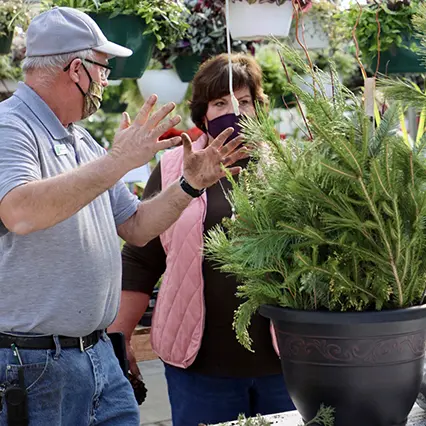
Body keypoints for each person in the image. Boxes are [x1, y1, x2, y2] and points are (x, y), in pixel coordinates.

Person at [0, 8, 246, 426]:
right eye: (103, 68)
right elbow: (20, 211)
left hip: (96, 356)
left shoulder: (78, 138)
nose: (106, 80)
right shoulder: (10, 127)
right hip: (37, 364)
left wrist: (190, 186)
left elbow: (135, 227)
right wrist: (118, 160)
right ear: (76, 69)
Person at [110, 53, 295, 426]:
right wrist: (120, 338)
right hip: (199, 366)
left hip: (286, 362)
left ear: (258, 108)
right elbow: (141, 258)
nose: (235, 111)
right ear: (203, 113)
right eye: (221, 102)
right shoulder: (173, 169)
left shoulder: (288, 166)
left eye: (244, 102)